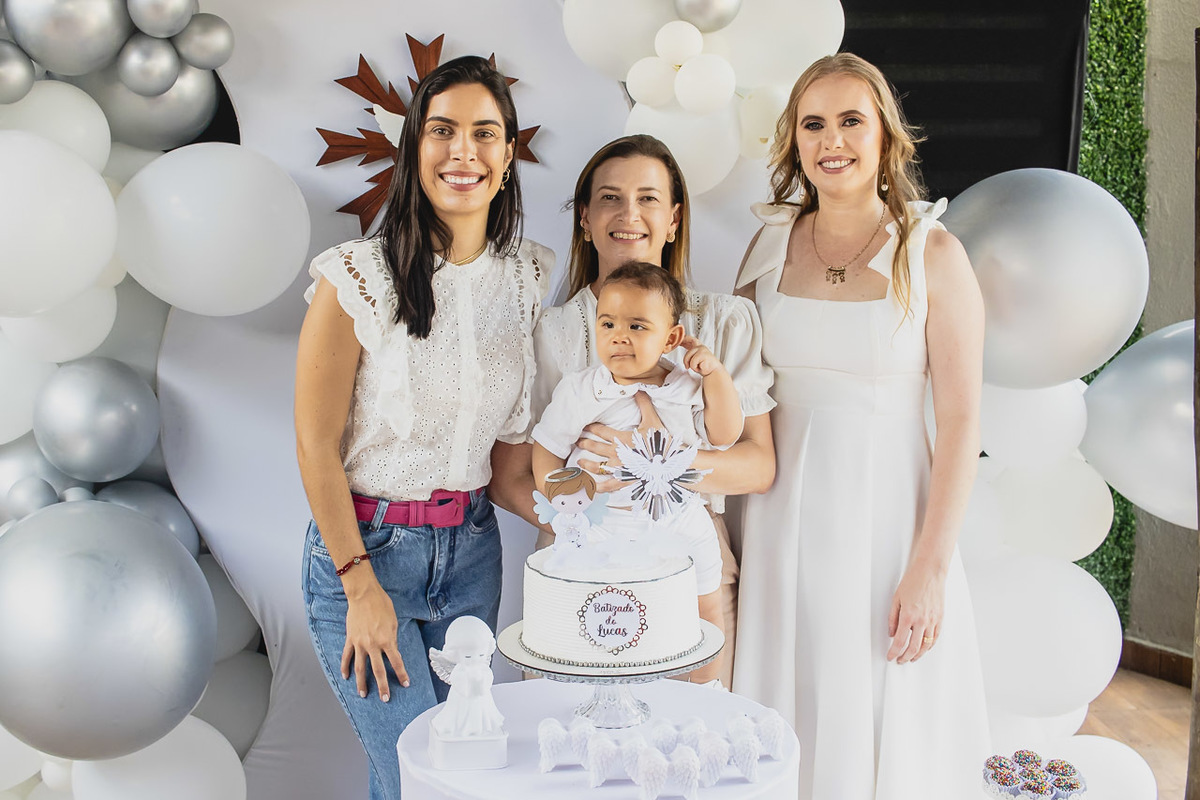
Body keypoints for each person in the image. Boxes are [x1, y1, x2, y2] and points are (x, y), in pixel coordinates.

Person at [731, 53, 990, 799]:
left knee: (877, 704)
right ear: (794, 142)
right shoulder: (765, 248)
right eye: (813, 123)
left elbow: (962, 416)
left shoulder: (932, 251)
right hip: (776, 523)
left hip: (885, 528)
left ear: (885, 138)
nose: (831, 139)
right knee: (783, 700)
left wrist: (930, 568)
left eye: (851, 120)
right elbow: (736, 394)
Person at [294, 56, 550, 800]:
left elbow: (507, 463)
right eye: (442, 131)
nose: (461, 152)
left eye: (483, 133)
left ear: (507, 156)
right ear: (414, 148)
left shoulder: (528, 275)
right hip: (366, 554)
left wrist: (592, 523)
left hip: (472, 553)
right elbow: (314, 445)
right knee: (418, 781)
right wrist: (359, 587)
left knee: (454, 777)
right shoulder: (357, 277)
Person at [528, 135, 776, 686]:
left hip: (689, 549)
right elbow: (514, 473)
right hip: (582, 549)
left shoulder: (724, 324)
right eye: (611, 198)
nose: (629, 214)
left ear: (674, 219)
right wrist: (588, 515)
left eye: (649, 198)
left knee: (693, 728)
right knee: (573, 739)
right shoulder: (554, 332)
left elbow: (758, 467)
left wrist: (653, 466)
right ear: (586, 220)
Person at [531, 263, 744, 682]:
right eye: (607, 323)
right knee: (597, 614)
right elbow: (547, 448)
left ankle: (705, 689)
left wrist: (715, 376)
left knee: (706, 601)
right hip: (604, 520)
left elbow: (725, 433)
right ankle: (594, 688)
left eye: (637, 325)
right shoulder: (583, 388)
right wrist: (562, 501)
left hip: (679, 517)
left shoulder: (686, 386)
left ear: (671, 338)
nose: (619, 336)